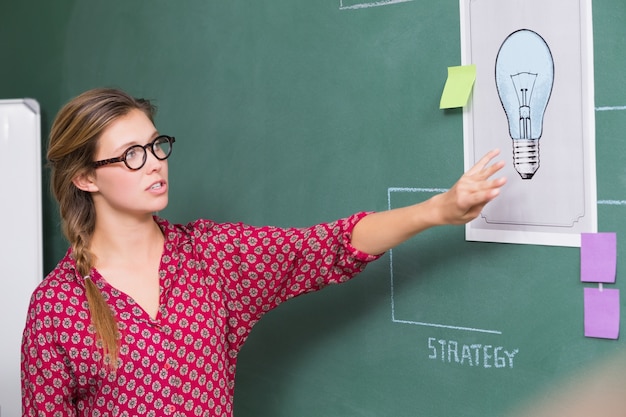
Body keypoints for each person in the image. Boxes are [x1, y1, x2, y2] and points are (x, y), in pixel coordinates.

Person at [21, 87, 506, 417]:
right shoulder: (56, 308)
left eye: (156, 145)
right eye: (132, 155)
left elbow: (330, 247)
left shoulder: (211, 257)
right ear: (86, 178)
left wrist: (439, 210)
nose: (154, 165)